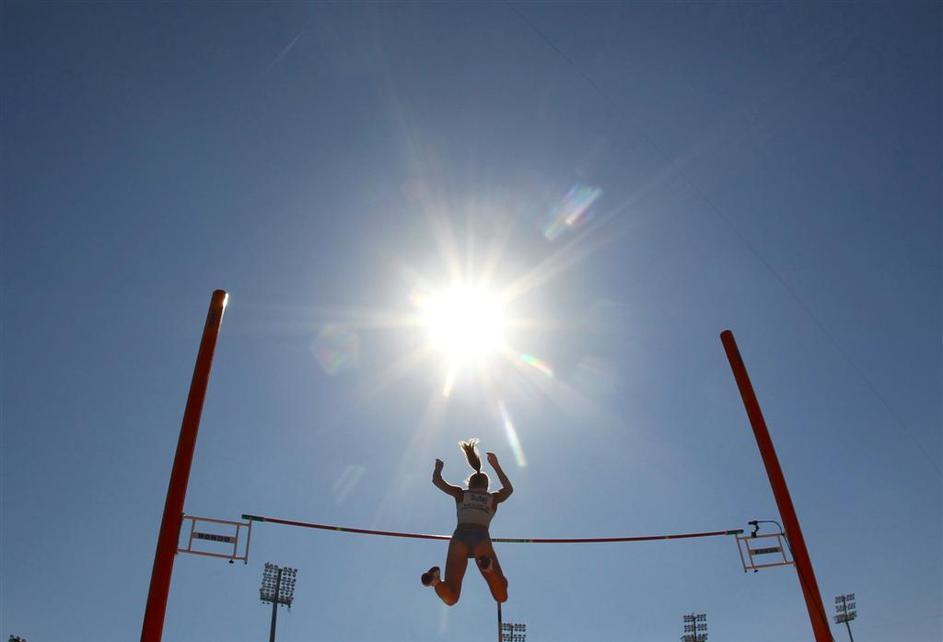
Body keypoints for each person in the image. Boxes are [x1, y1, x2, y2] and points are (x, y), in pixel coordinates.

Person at [421, 438, 513, 605]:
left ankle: (435, 581)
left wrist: (438, 469)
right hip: (481, 538)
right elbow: (509, 489)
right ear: (486, 486)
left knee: (451, 597)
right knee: (501, 595)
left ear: (469, 483)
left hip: (460, 538)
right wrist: (496, 466)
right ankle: (489, 569)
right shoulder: (493, 498)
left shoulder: (460, 494)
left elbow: (436, 481)